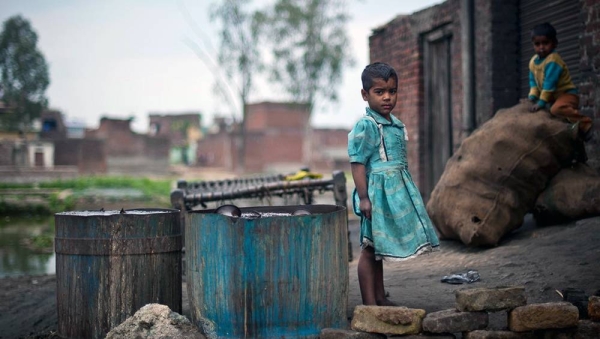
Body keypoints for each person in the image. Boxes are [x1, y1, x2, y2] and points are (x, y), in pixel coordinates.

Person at [348, 62, 440, 306]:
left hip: (392, 195)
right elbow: (357, 163)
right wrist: (364, 197)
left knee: (379, 248)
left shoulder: (395, 124)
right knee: (369, 249)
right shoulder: (366, 126)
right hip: (375, 196)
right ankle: (370, 305)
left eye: (392, 91)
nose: (387, 97)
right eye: (380, 92)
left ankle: (380, 297)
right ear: (365, 95)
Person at [528, 22, 593, 141]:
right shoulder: (533, 62)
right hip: (552, 98)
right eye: (537, 44)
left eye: (545, 43)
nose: (541, 47)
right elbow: (533, 81)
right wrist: (532, 96)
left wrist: (541, 103)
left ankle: (585, 124)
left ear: (554, 44)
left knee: (556, 110)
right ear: (533, 45)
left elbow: (549, 84)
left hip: (567, 94)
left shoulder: (553, 60)